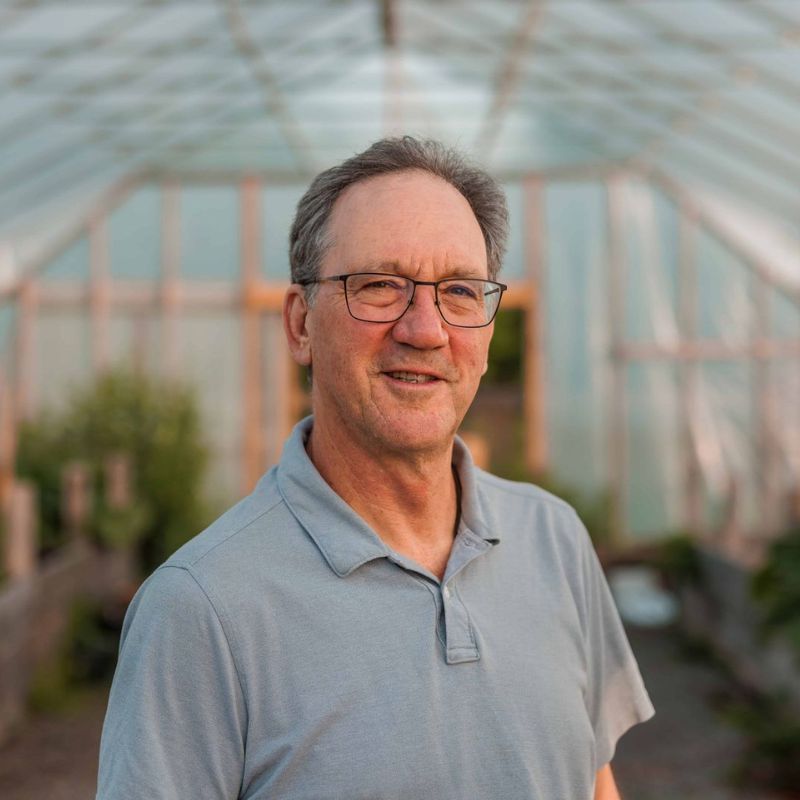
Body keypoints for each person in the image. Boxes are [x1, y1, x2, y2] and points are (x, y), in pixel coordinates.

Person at [96, 136, 654, 800]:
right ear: (301, 324)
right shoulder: (200, 609)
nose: (425, 328)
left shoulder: (553, 537)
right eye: (381, 286)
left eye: (459, 291)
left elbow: (594, 786)